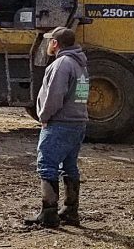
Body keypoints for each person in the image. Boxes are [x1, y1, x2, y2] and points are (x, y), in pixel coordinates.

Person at [25, 26, 90, 228]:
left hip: (60, 123)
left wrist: (44, 116)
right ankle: (70, 210)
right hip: (77, 122)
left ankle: (49, 213)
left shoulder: (62, 64)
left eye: (49, 41)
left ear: (55, 43)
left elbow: (54, 95)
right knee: (69, 166)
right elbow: (80, 94)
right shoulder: (81, 64)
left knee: (47, 165)